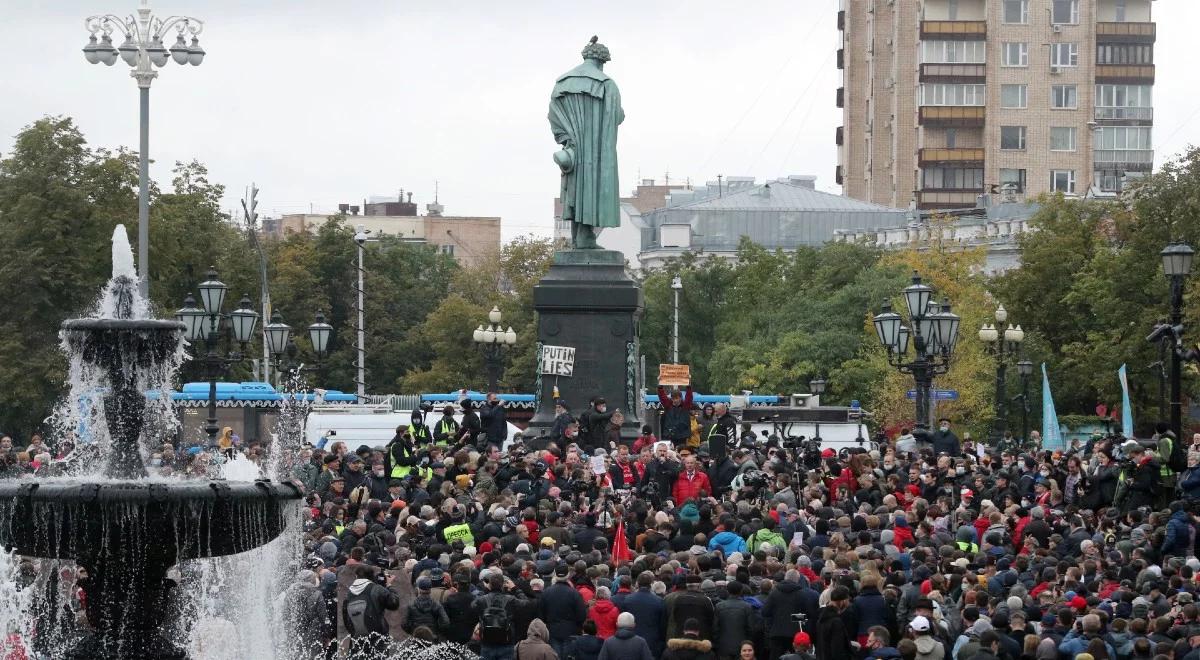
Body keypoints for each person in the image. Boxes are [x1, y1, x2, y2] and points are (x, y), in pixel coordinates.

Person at [342, 565, 401, 659]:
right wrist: (389, 585)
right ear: (372, 576)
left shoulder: (349, 593)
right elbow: (394, 604)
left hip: (357, 636)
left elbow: (346, 618)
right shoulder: (376, 589)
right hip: (377, 636)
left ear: (356, 576)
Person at [816, 586, 853, 660]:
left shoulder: (821, 617)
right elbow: (837, 649)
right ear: (843, 601)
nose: (848, 603)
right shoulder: (836, 622)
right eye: (848, 600)